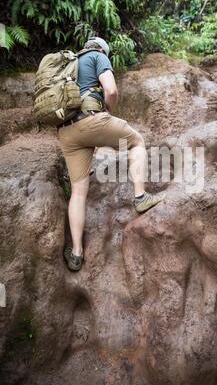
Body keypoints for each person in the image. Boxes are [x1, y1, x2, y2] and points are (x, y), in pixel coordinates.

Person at [57, 37, 164, 271]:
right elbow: (111, 90)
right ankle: (140, 197)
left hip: (66, 132)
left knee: (77, 191)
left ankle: (76, 254)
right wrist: (107, 111)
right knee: (137, 142)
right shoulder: (98, 56)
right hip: (92, 121)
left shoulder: (68, 63)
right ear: (103, 50)